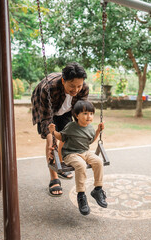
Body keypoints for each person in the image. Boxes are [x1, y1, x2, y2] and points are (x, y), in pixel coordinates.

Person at [31, 62, 89, 196]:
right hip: (47, 109)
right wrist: (51, 141)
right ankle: (54, 177)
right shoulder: (49, 88)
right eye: (72, 86)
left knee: (67, 135)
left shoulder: (84, 88)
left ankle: (61, 165)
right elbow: (46, 119)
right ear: (63, 81)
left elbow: (80, 114)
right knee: (51, 141)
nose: (76, 90)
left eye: (79, 86)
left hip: (66, 110)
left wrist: (83, 134)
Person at [48, 100, 107, 215]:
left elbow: (90, 141)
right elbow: (62, 137)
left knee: (98, 161)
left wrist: (98, 131)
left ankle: (98, 189)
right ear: (76, 115)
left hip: (85, 152)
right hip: (71, 154)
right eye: (85, 113)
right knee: (81, 165)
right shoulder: (71, 127)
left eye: (91, 113)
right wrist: (53, 132)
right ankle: (81, 195)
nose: (88, 116)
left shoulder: (90, 128)